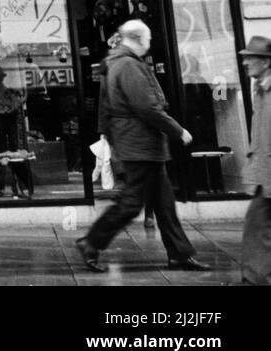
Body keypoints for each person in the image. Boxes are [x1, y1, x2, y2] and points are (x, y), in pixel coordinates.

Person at [75, 20, 207, 272]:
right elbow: (145, 106)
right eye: (147, 39)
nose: (150, 43)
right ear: (138, 39)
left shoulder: (114, 63)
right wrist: (177, 130)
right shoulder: (128, 65)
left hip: (137, 141)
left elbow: (105, 106)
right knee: (132, 202)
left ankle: (179, 253)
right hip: (140, 142)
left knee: (164, 203)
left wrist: (106, 134)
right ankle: (91, 242)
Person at [98, 32, 155, 230]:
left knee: (142, 182)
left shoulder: (123, 65)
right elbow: (147, 103)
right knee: (138, 182)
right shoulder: (125, 65)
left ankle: (149, 215)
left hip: (136, 134)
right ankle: (95, 239)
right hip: (136, 133)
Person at [240, 36, 271, 284]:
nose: (245, 62)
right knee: (258, 224)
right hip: (264, 171)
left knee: (257, 225)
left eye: (250, 58)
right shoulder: (260, 87)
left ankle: (254, 280)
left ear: (266, 62)